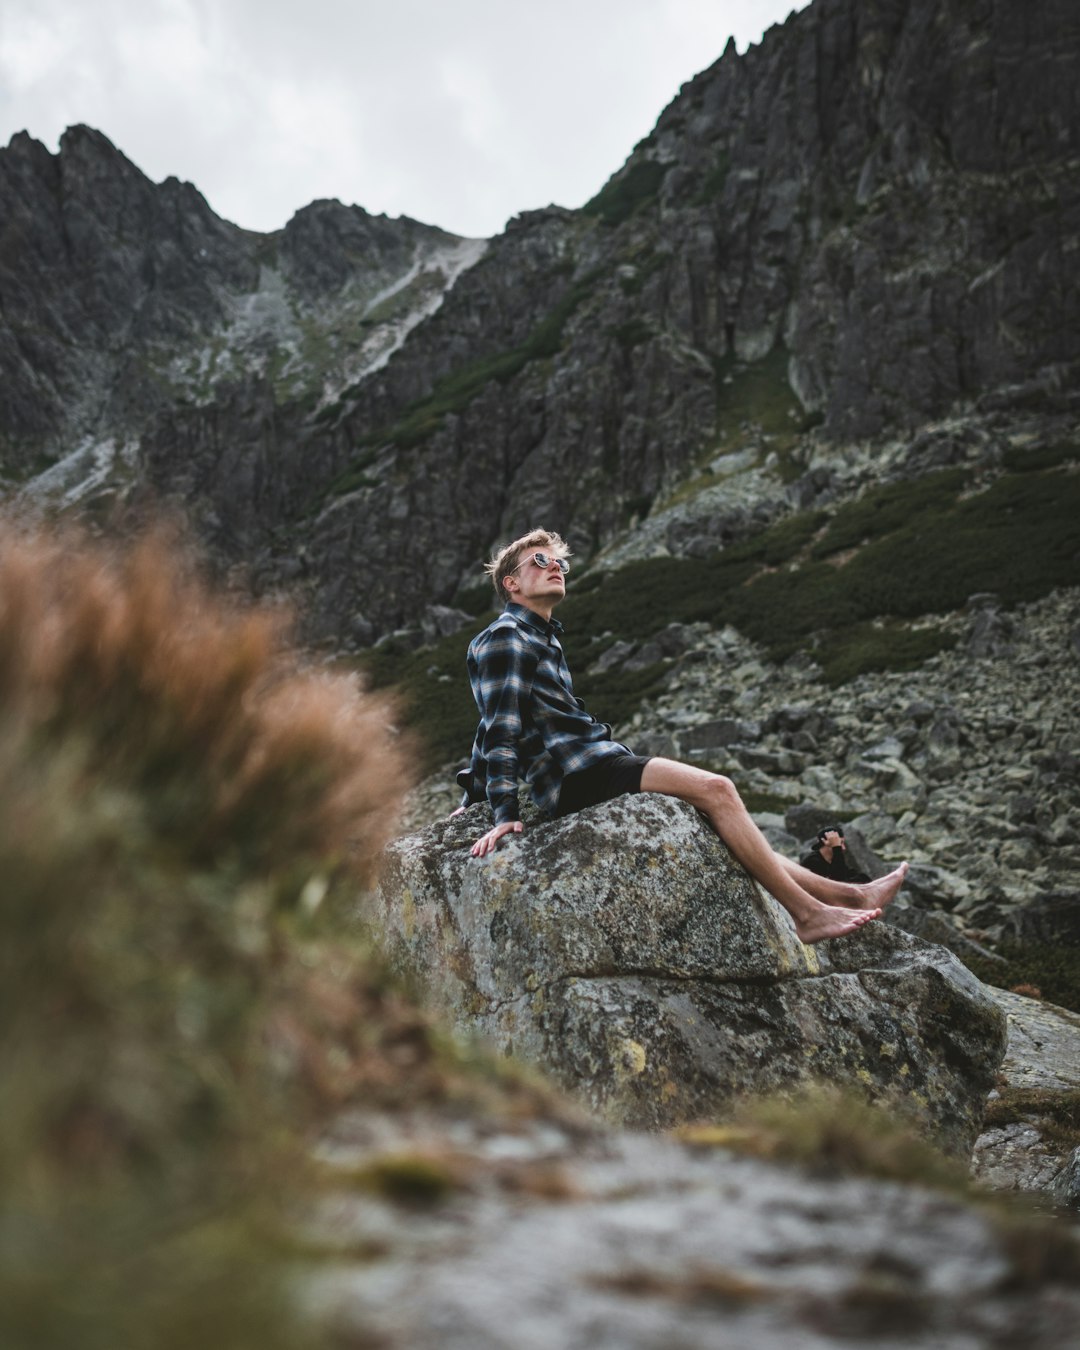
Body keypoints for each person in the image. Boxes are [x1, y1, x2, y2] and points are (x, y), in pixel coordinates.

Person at [454, 528, 908, 945]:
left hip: (594, 761)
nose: (556, 567)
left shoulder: (541, 637)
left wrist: (471, 790)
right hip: (579, 774)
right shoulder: (505, 637)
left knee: (715, 816)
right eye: (540, 560)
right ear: (511, 584)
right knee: (718, 789)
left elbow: (489, 723)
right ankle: (808, 915)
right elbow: (500, 727)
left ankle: (851, 897)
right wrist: (502, 810)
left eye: (560, 563)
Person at [800, 827, 872, 884]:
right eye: (840, 843)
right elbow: (838, 882)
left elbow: (862, 879)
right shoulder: (812, 862)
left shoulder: (832, 861)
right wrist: (836, 848)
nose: (843, 848)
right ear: (826, 843)